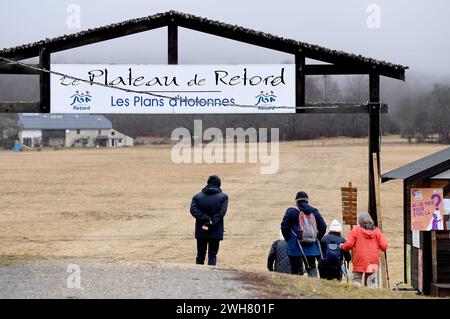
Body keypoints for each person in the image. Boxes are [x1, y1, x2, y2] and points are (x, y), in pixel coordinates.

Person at [281, 191, 327, 277]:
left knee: (295, 270)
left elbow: (284, 227)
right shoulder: (314, 211)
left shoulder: (291, 211)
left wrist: (289, 239)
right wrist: (316, 238)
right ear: (307, 200)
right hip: (311, 246)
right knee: (312, 267)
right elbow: (323, 226)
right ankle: (313, 287)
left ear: (296, 201)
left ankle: (296, 289)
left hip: (294, 245)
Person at [340, 212, 388, 288]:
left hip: (360, 258)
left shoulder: (356, 230)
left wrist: (342, 247)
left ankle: (356, 295)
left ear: (360, 222)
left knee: (357, 278)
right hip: (373, 259)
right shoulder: (377, 231)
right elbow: (384, 246)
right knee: (371, 281)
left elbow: (348, 245)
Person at [190, 175, 228, 266]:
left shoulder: (197, 196)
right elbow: (221, 213)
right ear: (219, 184)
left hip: (201, 229)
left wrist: (205, 219)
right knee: (212, 255)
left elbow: (193, 210)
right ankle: (211, 277)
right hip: (215, 229)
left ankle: (198, 276)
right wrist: (211, 222)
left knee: (200, 255)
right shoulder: (223, 197)